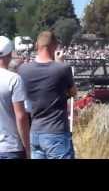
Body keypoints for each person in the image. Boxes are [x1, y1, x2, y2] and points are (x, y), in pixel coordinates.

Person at [18, 31, 77, 159]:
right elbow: (73, 93)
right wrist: (60, 62)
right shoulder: (62, 68)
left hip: (35, 133)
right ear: (54, 47)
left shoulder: (23, 69)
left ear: (36, 45)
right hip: (56, 132)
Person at [0, 36, 30, 159]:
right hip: (10, 147)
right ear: (9, 54)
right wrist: (27, 146)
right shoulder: (14, 79)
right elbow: (21, 117)